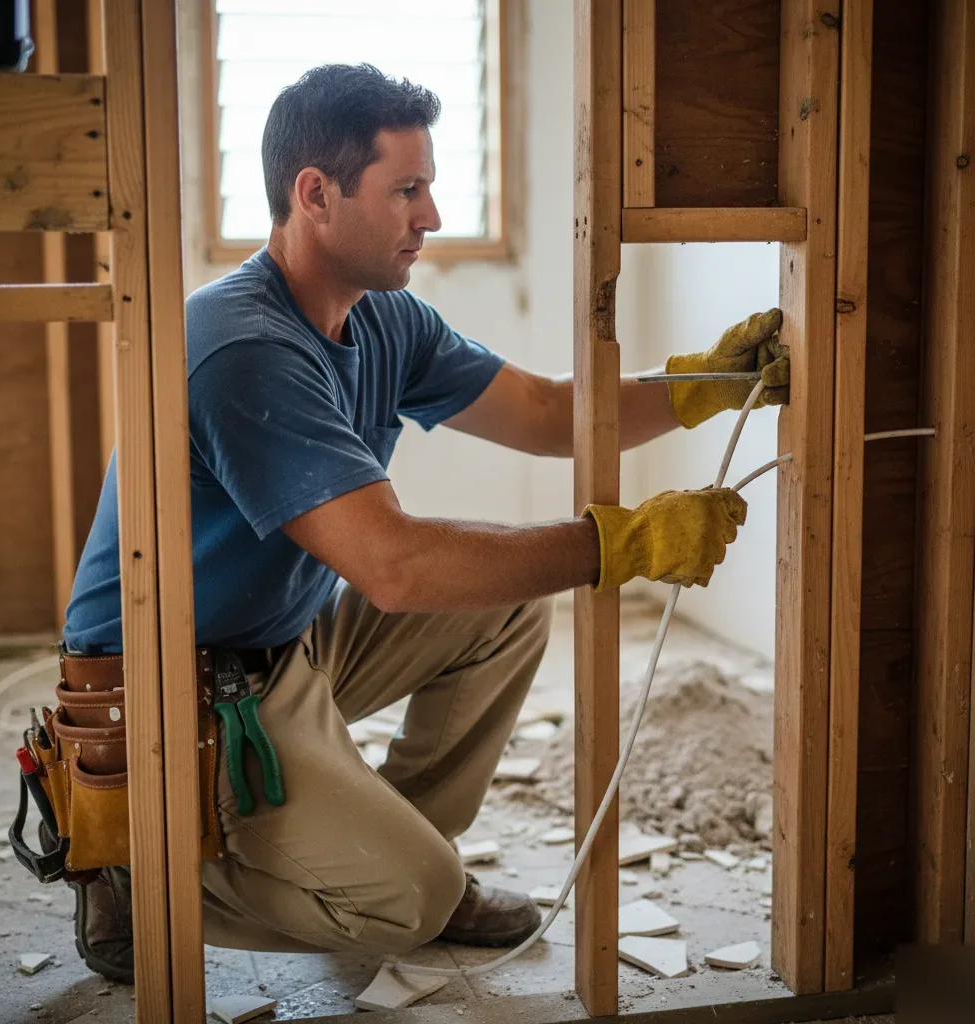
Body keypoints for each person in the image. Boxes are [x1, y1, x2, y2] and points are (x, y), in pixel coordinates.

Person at [61, 64, 788, 983]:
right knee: (405, 903)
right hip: (175, 693)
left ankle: (401, 844)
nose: (432, 215)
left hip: (282, 641)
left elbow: (541, 410)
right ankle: (134, 869)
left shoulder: (384, 319)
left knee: (512, 601)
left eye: (431, 186)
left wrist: (704, 389)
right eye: (407, 189)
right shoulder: (243, 348)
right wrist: (622, 543)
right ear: (315, 194)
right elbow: (394, 569)